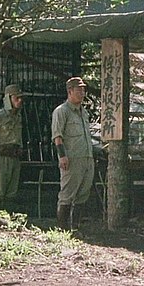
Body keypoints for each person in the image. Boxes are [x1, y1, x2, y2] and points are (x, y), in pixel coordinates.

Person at [51, 77, 94, 230]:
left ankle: (75, 228)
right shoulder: (62, 111)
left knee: (83, 194)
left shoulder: (84, 112)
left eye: (83, 90)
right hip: (72, 159)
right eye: (79, 90)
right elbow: (57, 136)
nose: (82, 93)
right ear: (70, 91)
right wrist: (62, 156)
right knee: (67, 194)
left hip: (87, 157)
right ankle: (62, 229)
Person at [0, 84, 25, 213]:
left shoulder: (18, 116)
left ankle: (7, 220)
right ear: (8, 98)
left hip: (15, 157)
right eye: (16, 98)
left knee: (11, 193)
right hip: (1, 157)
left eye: (21, 98)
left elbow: (19, 137)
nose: (19, 101)